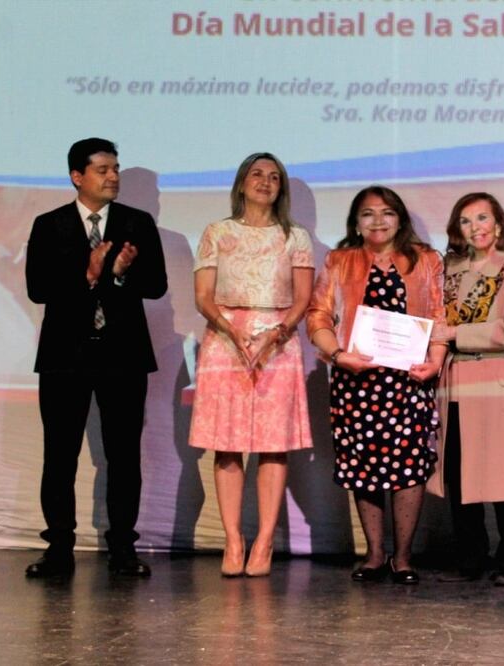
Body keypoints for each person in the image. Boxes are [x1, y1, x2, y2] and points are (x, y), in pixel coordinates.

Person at [24, 137, 168, 578]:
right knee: (60, 454)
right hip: (65, 357)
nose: (112, 177)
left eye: (116, 169)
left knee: (123, 455)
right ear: (77, 176)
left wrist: (121, 275)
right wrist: (86, 276)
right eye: (103, 169)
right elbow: (38, 288)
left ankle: (123, 548)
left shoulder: (137, 223)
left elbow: (157, 284)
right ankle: (59, 548)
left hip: (122, 356)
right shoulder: (49, 225)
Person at [306, 185, 446, 585]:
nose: (378, 221)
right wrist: (337, 355)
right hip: (356, 380)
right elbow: (317, 316)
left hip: (408, 381)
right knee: (362, 468)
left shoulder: (425, 260)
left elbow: (438, 315)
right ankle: (374, 554)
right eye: (368, 213)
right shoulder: (341, 260)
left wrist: (434, 361)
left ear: (400, 218)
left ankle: (402, 558)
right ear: (355, 222)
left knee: (408, 468)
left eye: (386, 213)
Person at [189, 152, 314, 577]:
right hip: (226, 340)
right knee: (227, 443)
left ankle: (263, 541)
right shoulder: (217, 232)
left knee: (272, 445)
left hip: (277, 342)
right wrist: (231, 329)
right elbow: (204, 295)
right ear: (242, 183)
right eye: (257, 174)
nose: (266, 181)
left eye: (274, 176)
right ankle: (233, 539)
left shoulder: (294, 236)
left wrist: (277, 333)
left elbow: (302, 299)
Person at [427, 193, 504, 586]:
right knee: (460, 480)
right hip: (457, 385)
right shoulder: (449, 268)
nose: (475, 227)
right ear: (456, 229)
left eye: (483, 218)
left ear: (499, 223)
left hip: (502, 386)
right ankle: (470, 560)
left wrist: (454, 333)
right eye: (465, 221)